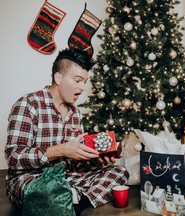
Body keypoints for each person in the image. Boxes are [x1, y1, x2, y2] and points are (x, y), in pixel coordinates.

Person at [5, 48, 129, 215]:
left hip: (65, 176)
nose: (82, 87)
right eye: (78, 80)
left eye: (84, 82)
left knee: (119, 172)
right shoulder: (28, 105)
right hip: (33, 178)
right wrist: (61, 150)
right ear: (58, 78)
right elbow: (13, 157)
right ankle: (67, 199)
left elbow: (74, 163)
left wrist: (99, 157)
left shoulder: (75, 113)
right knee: (46, 192)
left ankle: (73, 201)